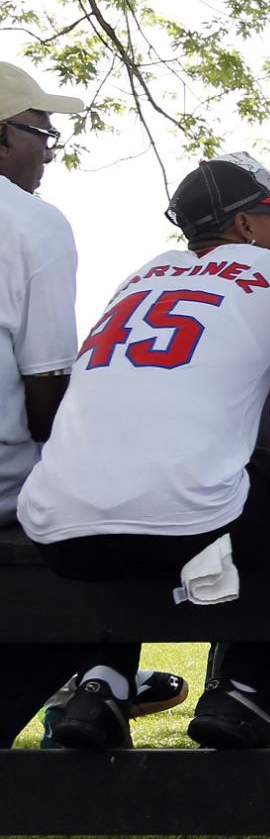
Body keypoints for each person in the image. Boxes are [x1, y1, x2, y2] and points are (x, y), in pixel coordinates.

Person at [15, 154, 270, 751]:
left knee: (146, 496)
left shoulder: (141, 273)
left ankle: (102, 681)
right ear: (243, 226)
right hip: (186, 523)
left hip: (53, 527)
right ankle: (247, 687)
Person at [0, 61, 87, 744]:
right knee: (101, 597)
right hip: (8, 492)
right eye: (40, 132)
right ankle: (103, 691)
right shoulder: (33, 223)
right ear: (3, 137)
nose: (49, 151)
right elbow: (46, 394)